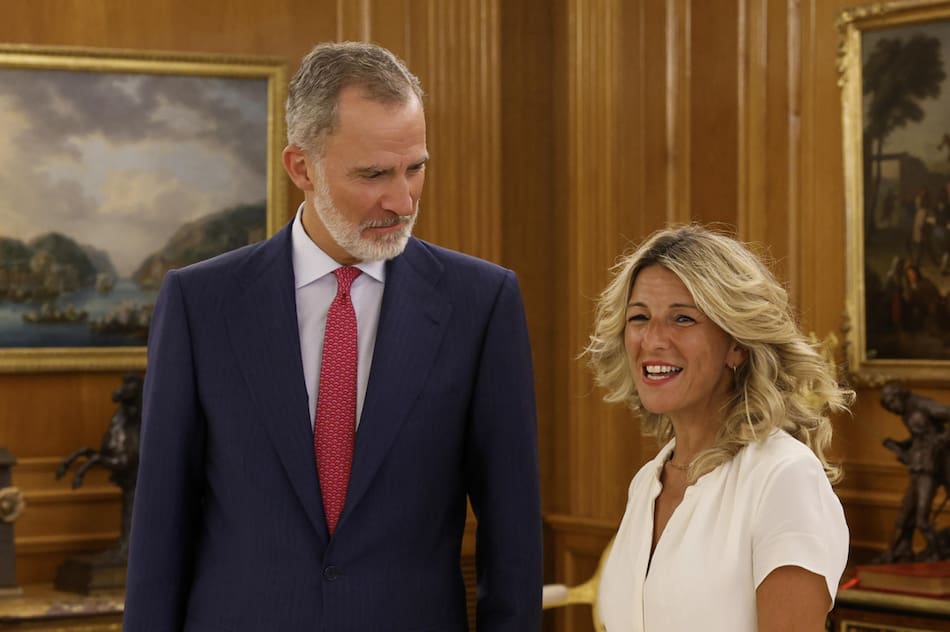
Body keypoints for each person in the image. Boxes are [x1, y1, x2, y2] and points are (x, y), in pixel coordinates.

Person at [123, 41, 542, 631]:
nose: (402, 200)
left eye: (415, 167)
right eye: (373, 174)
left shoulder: (482, 304)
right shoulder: (201, 305)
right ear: (302, 168)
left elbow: (513, 532)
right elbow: (160, 528)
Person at [585, 225, 852, 632]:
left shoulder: (784, 477)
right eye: (639, 317)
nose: (653, 339)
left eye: (682, 318)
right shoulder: (646, 484)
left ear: (737, 345)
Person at [879, 382, 950, 562]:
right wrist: (900, 445)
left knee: (921, 518)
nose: (892, 408)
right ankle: (900, 551)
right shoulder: (907, 411)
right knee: (906, 513)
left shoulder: (922, 405)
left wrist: (941, 441)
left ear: (898, 395)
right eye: (888, 406)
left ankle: (936, 553)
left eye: (891, 402)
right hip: (919, 465)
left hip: (930, 466)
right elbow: (919, 437)